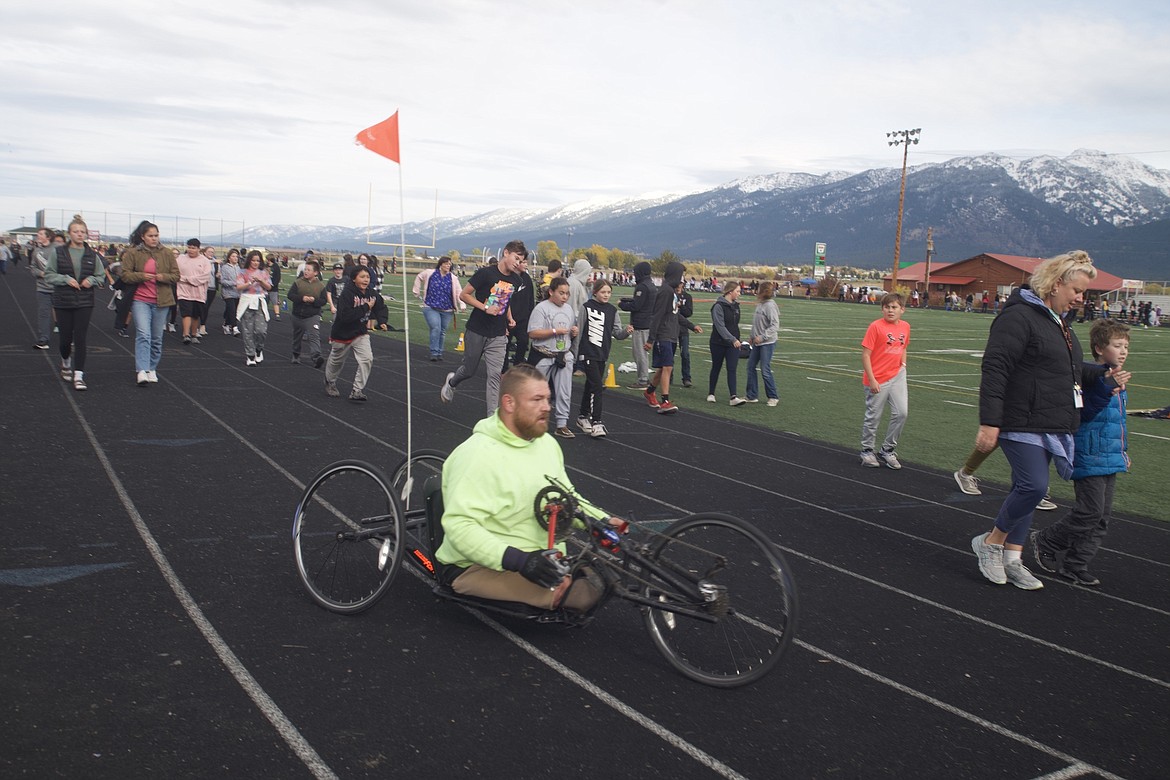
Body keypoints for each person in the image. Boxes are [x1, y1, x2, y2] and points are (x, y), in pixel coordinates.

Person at [970, 250, 1107, 591]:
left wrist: (1103, 373)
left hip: (1049, 420)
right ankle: (991, 542)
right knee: (1034, 486)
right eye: (1076, 290)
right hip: (1020, 419)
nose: (1079, 299)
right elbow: (996, 367)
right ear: (1056, 283)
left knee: (1027, 490)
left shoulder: (1058, 321)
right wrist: (989, 421)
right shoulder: (1019, 317)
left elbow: (1066, 368)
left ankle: (1013, 560)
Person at [435, 364, 623, 611]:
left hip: (540, 557)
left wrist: (603, 521)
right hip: (477, 565)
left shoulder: (545, 444)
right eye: (537, 400)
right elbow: (460, 527)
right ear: (509, 403)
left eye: (547, 398)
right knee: (576, 595)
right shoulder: (476, 455)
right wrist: (520, 561)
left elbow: (567, 498)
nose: (547, 407)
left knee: (609, 578)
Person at [1030, 320, 1132, 586]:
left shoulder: (1117, 378)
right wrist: (1105, 387)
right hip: (1088, 453)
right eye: (1117, 345)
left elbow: (1117, 423)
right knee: (1089, 511)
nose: (1123, 351)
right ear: (1099, 348)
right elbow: (1084, 415)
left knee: (1101, 518)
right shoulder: (1091, 378)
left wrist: (1123, 451)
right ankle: (1047, 539)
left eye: (1126, 346)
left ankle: (1076, 564)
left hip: (1110, 455)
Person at [440, 240, 527, 414]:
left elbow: (506, 301)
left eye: (521, 260)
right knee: (469, 370)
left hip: (498, 334)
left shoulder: (517, 280)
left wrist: (509, 318)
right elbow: (463, 295)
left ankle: (491, 421)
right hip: (477, 329)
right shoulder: (485, 274)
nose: (518, 263)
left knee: (495, 376)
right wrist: (485, 308)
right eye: (516, 258)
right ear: (506, 253)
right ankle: (452, 382)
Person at [44, 215, 105, 391]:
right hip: (63, 300)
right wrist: (65, 279)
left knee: (80, 338)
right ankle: (65, 362)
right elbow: (49, 274)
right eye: (76, 231)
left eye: (82, 232)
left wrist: (92, 280)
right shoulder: (59, 252)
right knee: (65, 339)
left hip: (85, 301)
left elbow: (101, 276)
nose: (79, 234)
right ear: (69, 234)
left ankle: (79, 375)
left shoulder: (92, 255)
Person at [120, 220, 179, 386]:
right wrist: (141, 276)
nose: (154, 238)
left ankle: (152, 367)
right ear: (143, 237)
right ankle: (141, 370)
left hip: (163, 300)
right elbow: (125, 275)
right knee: (143, 334)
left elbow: (176, 275)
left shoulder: (167, 253)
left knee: (157, 337)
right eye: (150, 236)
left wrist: (163, 277)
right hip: (141, 299)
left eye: (156, 235)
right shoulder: (133, 253)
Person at [859, 293, 910, 469]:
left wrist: (903, 364)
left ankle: (888, 449)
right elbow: (865, 355)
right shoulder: (875, 327)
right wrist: (872, 379)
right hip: (877, 378)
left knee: (901, 412)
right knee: (874, 416)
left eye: (894, 307)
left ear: (902, 310)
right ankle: (867, 450)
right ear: (882, 309)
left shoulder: (905, 326)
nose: (890, 310)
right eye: (887, 307)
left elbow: (904, 347)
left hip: (897, 375)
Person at [576, 279, 632, 438]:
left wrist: (626, 331)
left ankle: (582, 416)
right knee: (597, 387)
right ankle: (596, 422)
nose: (606, 295)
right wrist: (574, 354)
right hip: (588, 353)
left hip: (602, 354)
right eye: (603, 292)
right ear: (595, 292)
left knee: (591, 385)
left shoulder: (613, 311)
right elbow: (579, 332)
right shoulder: (586, 308)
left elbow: (617, 334)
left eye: (608, 292)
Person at [324, 266, 388, 402]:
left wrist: (382, 321)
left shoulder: (372, 293)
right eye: (362, 277)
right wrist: (366, 307)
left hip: (360, 332)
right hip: (342, 333)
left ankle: (357, 390)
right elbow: (345, 316)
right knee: (337, 361)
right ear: (354, 279)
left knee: (367, 359)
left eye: (368, 277)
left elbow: (381, 307)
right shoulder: (347, 295)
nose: (366, 280)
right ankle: (330, 381)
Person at [644, 261, 700, 415]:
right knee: (667, 367)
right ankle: (665, 401)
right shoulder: (666, 292)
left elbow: (675, 315)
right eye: (681, 275)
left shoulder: (672, 292)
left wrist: (691, 325)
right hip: (664, 335)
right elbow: (657, 316)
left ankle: (649, 392)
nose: (682, 279)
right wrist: (651, 339)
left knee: (663, 368)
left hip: (672, 334)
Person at [527, 276, 579, 438]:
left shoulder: (569, 310)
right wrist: (554, 331)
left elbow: (569, 330)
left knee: (564, 391)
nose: (565, 297)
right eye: (561, 293)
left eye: (567, 294)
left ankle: (562, 424)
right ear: (551, 292)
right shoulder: (541, 308)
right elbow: (532, 333)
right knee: (537, 392)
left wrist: (573, 332)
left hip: (563, 355)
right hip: (543, 354)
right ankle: (531, 422)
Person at [412, 256, 464, 361]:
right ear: (441, 264)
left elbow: (459, 291)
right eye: (446, 263)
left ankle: (440, 352)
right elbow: (419, 277)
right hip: (431, 306)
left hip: (447, 309)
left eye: (449, 264)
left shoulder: (453, 278)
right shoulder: (430, 273)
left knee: (442, 331)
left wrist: (462, 304)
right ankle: (434, 352)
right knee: (436, 328)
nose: (447, 266)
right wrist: (416, 290)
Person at [707, 280, 746, 406]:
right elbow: (720, 326)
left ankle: (733, 397)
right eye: (737, 291)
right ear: (730, 292)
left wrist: (738, 339)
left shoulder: (736, 306)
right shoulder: (718, 306)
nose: (739, 294)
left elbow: (734, 325)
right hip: (718, 342)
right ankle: (711, 393)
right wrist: (732, 339)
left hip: (733, 343)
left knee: (732, 368)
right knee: (716, 367)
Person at [618, 261, 656, 389]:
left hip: (641, 324)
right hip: (647, 322)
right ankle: (644, 378)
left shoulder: (642, 287)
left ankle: (643, 380)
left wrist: (621, 304)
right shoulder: (651, 285)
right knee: (642, 353)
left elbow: (636, 305)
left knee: (639, 353)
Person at [745, 281, 780, 406]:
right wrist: (752, 336)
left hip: (767, 343)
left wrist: (763, 336)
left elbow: (775, 324)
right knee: (750, 367)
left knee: (765, 369)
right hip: (757, 342)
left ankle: (773, 396)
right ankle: (752, 395)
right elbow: (756, 323)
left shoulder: (770, 305)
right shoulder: (760, 304)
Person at [287, 258, 327, 367]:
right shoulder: (298, 283)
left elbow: (324, 301)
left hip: (312, 315)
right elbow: (290, 295)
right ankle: (296, 354)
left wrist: (314, 301)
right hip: (297, 314)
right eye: (305, 269)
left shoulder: (320, 286)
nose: (306, 272)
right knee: (297, 336)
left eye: (309, 270)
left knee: (314, 335)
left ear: (315, 273)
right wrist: (302, 298)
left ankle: (316, 356)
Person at [236, 250, 272, 366]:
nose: (255, 263)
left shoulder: (264, 273)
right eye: (253, 260)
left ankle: (259, 349)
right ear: (249, 261)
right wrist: (249, 283)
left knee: (261, 330)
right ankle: (250, 355)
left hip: (260, 301)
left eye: (258, 260)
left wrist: (261, 281)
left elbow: (269, 287)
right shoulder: (242, 272)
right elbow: (239, 287)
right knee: (248, 331)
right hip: (247, 302)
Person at [502, 254, 536, 371]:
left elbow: (531, 299)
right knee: (505, 344)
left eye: (526, 262)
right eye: (523, 262)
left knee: (523, 342)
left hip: (523, 320)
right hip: (508, 319)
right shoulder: (508, 278)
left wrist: (530, 316)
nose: (526, 265)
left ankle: (517, 367)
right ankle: (504, 368)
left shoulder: (527, 278)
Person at [176, 239, 210, 345]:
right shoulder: (180, 259)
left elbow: (205, 277)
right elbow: (176, 274)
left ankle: (194, 334)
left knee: (196, 314)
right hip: (183, 292)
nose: (191, 250)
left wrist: (189, 279)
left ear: (198, 249)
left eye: (193, 248)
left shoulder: (204, 261)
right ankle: (186, 334)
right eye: (189, 247)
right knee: (186, 313)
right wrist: (186, 279)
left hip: (199, 293)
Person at [29, 228, 56, 350]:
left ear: (48, 237)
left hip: (58, 288)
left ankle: (69, 338)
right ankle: (43, 339)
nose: (37, 235)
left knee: (64, 314)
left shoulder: (57, 250)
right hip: (42, 289)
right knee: (43, 314)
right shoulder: (36, 251)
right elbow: (32, 267)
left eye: (40, 234)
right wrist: (41, 273)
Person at [219, 248, 242, 336]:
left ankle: (226, 324)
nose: (235, 258)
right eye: (233, 256)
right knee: (231, 309)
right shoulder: (225, 267)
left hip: (237, 293)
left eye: (236, 256)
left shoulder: (239, 268)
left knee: (232, 310)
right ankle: (235, 327)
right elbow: (222, 280)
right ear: (229, 258)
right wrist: (233, 283)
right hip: (228, 293)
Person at [199, 245, 218, 337]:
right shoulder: (202, 261)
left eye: (212, 252)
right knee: (202, 306)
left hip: (212, 287)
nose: (211, 254)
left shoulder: (215, 263)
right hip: (203, 287)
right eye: (209, 252)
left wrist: (219, 275)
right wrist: (214, 261)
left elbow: (217, 273)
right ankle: (199, 325)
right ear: (204, 253)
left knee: (206, 307)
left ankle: (202, 325)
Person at [265, 253, 282, 320]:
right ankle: (265, 314)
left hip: (273, 288)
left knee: (275, 302)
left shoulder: (276, 267)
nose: (267, 261)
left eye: (268, 259)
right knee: (265, 302)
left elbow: (278, 277)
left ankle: (277, 315)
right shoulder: (265, 266)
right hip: (265, 288)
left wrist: (273, 284)